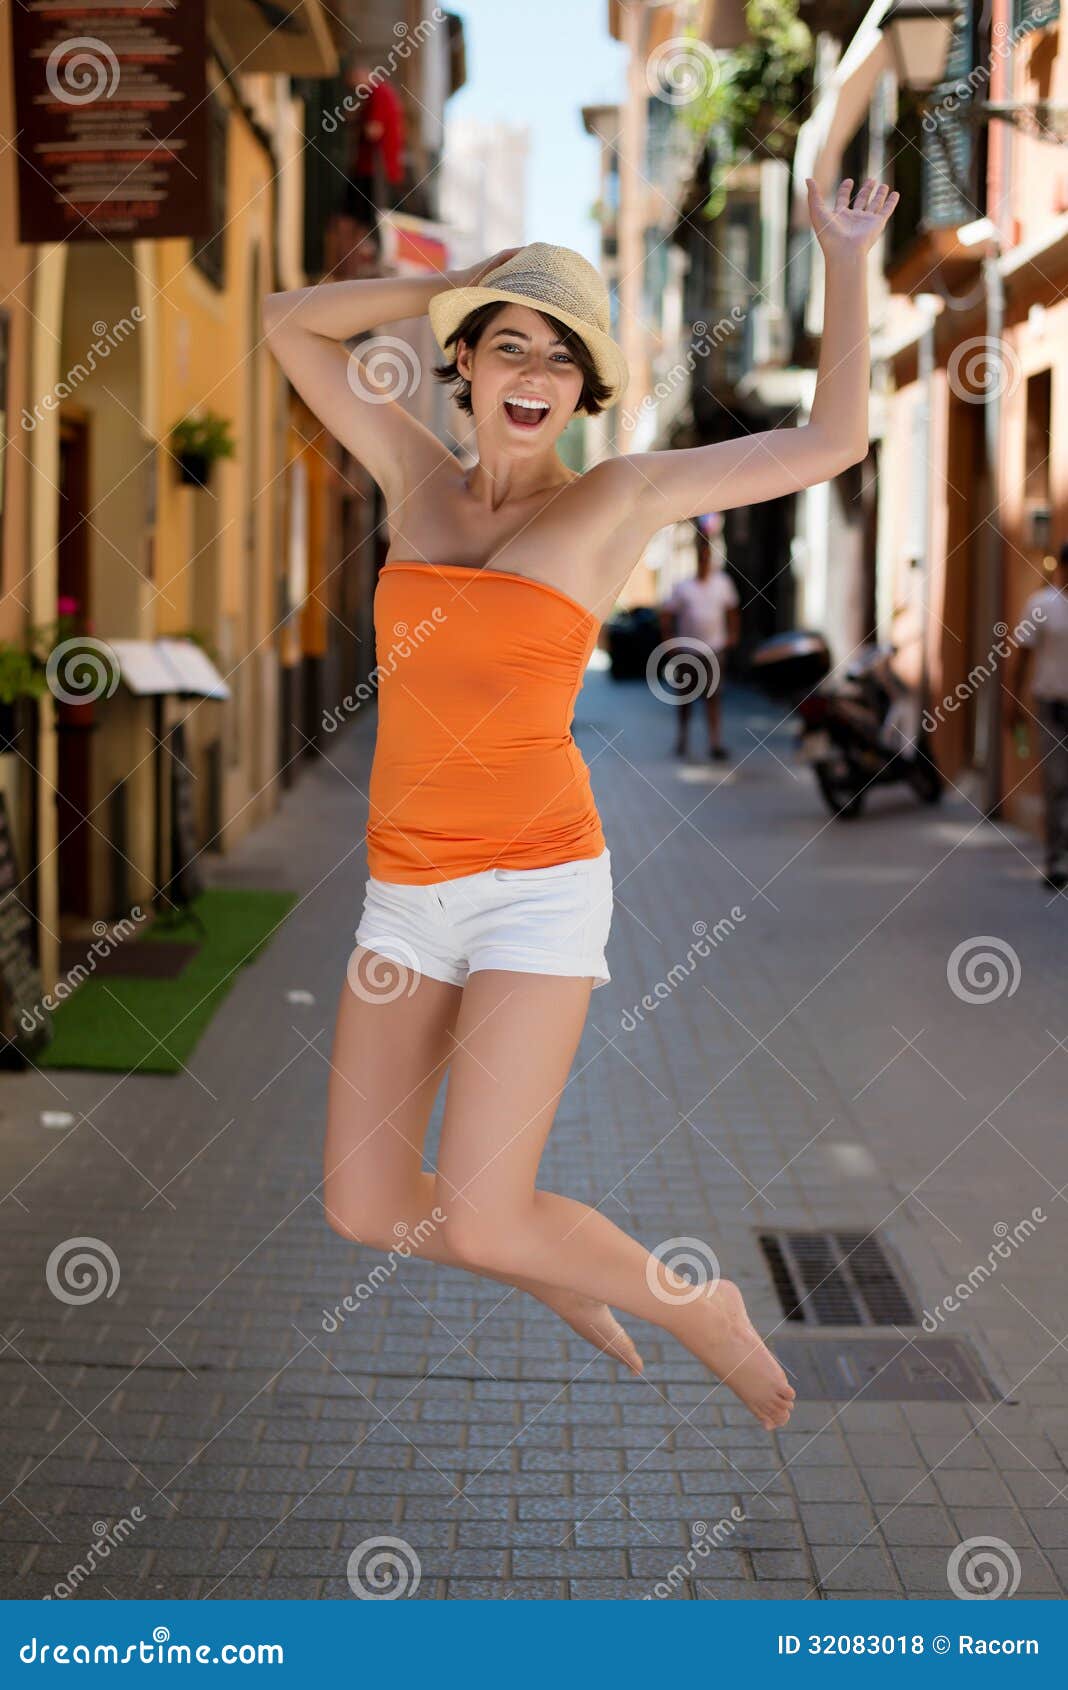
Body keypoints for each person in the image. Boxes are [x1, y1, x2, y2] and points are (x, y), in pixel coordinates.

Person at [262, 177, 898, 1433]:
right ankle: (548, 1256)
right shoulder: (411, 472)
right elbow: (289, 321)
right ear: (467, 358)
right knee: (360, 1202)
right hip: (406, 892)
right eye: (512, 342)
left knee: (491, 1203)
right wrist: (460, 276)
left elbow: (831, 442)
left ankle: (683, 1299)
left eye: (563, 357)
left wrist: (843, 259)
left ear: (587, 388)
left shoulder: (616, 498)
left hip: (536, 886)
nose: (537, 372)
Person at [1009, 542, 1068, 889]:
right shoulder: (1042, 605)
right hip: (1052, 707)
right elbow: (1022, 655)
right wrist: (1012, 701)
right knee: (1056, 782)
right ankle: (1056, 860)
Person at [660, 516, 741, 759]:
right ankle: (682, 739)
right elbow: (666, 614)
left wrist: (732, 635)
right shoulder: (683, 586)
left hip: (713, 649)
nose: (704, 560)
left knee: (713, 697)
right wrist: (670, 641)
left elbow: (732, 610)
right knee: (684, 698)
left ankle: (714, 742)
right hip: (687, 650)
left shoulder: (722, 583)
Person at [341, 60, 405, 229]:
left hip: (375, 171)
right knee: (356, 218)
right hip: (372, 170)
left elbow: (373, 130)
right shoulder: (377, 93)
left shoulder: (379, 93)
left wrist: (354, 120)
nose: (355, 91)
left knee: (363, 221)